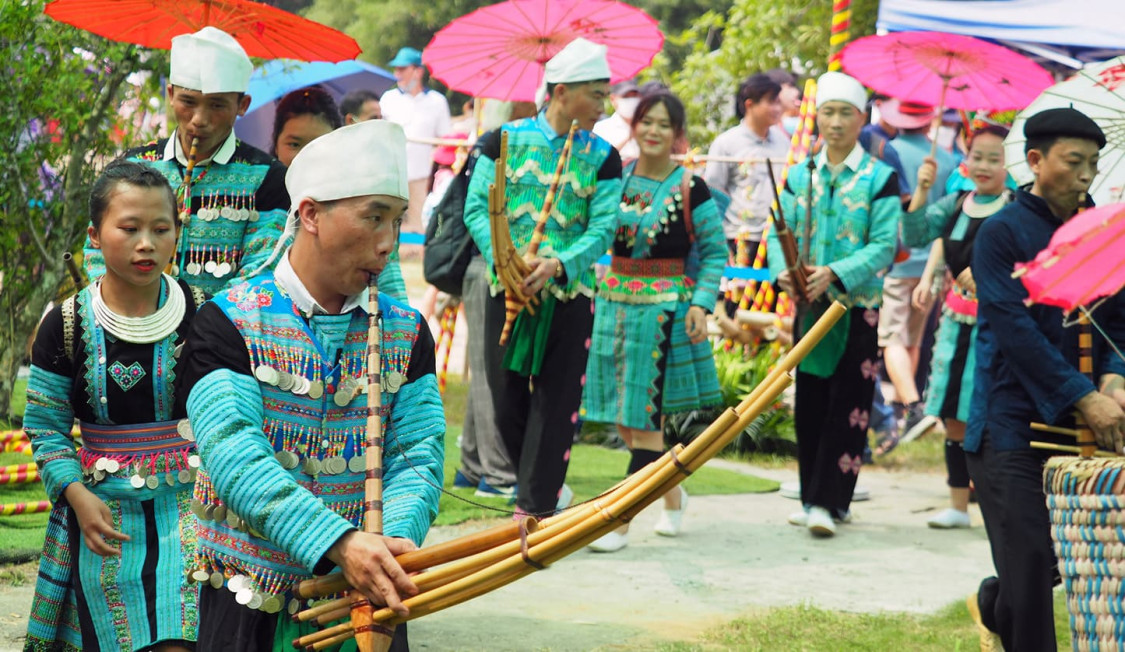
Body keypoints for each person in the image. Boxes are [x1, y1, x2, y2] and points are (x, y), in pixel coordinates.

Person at [176, 120, 445, 650]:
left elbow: (420, 451)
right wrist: (341, 543)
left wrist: (392, 544)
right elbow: (233, 454)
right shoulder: (227, 322)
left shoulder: (407, 330)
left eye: (397, 221)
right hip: (247, 600)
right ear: (311, 214)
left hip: (364, 604)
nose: (389, 242)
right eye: (373, 217)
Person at [24, 160, 206, 650]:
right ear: (96, 235)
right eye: (129, 228)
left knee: (181, 636)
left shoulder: (207, 315)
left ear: (176, 234)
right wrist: (78, 497)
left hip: (192, 503)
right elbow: (45, 426)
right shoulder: (63, 325)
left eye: (160, 228)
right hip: (102, 508)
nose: (146, 243)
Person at [965, 107, 1125, 652]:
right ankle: (1006, 605)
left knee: (1063, 559)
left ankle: (993, 605)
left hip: (1086, 418)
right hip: (1009, 419)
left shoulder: (1102, 231)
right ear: (1035, 161)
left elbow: (1119, 321)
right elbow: (1015, 333)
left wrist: (1114, 380)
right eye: (1073, 161)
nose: (1085, 175)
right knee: (1031, 562)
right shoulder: (1000, 233)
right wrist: (1083, 396)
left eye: (1093, 164)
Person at [462, 37, 623, 518]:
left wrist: (557, 264)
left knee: (556, 403)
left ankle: (532, 508)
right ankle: (543, 490)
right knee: (505, 397)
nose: (605, 104)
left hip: (568, 295)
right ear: (562, 91)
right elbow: (476, 208)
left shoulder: (605, 156)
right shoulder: (500, 141)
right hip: (504, 288)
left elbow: (604, 227)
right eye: (596, 93)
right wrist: (505, 262)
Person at [582, 92, 727, 552]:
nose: (654, 132)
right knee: (627, 423)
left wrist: (702, 304)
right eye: (647, 121)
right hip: (614, 304)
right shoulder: (616, 179)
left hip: (664, 310)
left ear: (677, 133)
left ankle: (618, 522)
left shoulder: (692, 188)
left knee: (643, 421)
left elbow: (716, 252)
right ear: (635, 126)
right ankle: (674, 494)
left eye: (665, 124)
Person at [768, 71, 900, 538]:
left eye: (847, 113)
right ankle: (810, 497)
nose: (837, 122)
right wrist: (782, 271)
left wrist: (836, 272)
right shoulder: (801, 172)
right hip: (809, 308)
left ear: (863, 118)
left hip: (856, 307)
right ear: (816, 118)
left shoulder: (880, 179)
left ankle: (831, 501)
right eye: (829, 112)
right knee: (809, 402)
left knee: (849, 404)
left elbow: (884, 245)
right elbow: (775, 228)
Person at [83, 27, 289, 297]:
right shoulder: (131, 166)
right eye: (188, 102)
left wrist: (203, 324)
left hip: (222, 334)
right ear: (170, 95)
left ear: (242, 105)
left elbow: (262, 267)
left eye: (217, 105)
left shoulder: (267, 177)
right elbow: (98, 251)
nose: (199, 119)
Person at [901, 125, 1013, 530]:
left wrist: (991, 284)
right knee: (952, 412)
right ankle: (957, 504)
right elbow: (914, 234)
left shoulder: (1016, 208)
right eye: (977, 156)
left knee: (989, 411)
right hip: (955, 319)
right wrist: (921, 190)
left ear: (1010, 163)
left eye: (993, 158)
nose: (983, 165)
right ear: (966, 161)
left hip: (999, 326)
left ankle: (996, 504)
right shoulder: (954, 204)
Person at [270, 86, 408, 304]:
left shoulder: (368, 205)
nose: (308, 156)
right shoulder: (262, 203)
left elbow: (394, 293)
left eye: (320, 145)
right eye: (295, 144)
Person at [876, 99, 956, 452]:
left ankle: (912, 404)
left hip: (898, 257)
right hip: (934, 261)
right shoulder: (950, 159)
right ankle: (907, 407)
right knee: (912, 338)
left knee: (890, 337)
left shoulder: (888, 151)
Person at [704, 74, 789, 257]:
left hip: (777, 238)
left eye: (778, 102)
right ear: (750, 105)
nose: (777, 109)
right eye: (770, 102)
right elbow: (713, 194)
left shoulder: (784, 142)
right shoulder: (726, 143)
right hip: (739, 238)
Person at [380, 46, 452, 237]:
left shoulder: (437, 101)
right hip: (391, 173)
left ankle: (417, 259)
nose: (398, 74)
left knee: (420, 221)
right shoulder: (388, 99)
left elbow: (445, 140)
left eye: (402, 69)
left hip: (423, 175)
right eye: (396, 69)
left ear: (418, 71)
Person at [593, 79, 641, 160]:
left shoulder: (647, 127)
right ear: (613, 99)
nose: (631, 100)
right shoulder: (601, 129)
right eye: (626, 97)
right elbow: (599, 159)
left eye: (634, 96)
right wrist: (629, 136)